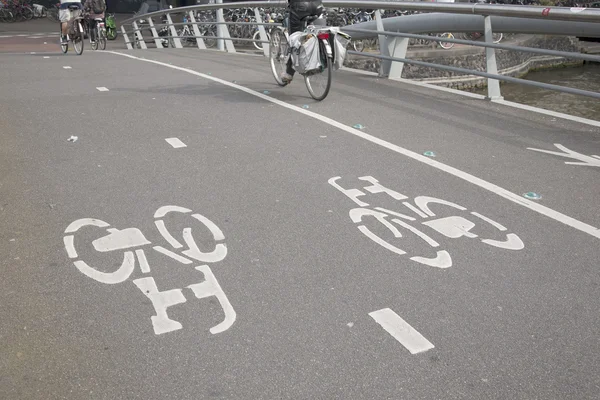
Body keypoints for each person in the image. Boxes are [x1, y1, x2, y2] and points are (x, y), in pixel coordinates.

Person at [280, 0, 324, 83]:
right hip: (318, 7)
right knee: (314, 33)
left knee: (294, 38)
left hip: (300, 7)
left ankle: (289, 74)